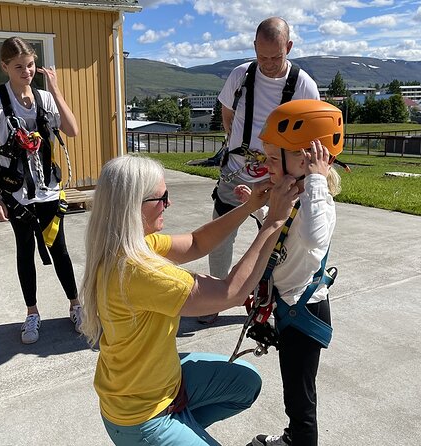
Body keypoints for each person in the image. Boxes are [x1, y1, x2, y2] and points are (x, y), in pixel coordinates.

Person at [79, 154, 300, 445]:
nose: (168, 203)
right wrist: (275, 221)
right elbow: (231, 292)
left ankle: (183, 428)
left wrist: (251, 206)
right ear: (134, 206)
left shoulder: (134, 245)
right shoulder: (139, 272)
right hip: (143, 419)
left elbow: (198, 243)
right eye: (162, 197)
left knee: (246, 383)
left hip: (160, 385)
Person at [200, 16, 320, 324]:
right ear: (254, 47)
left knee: (275, 242)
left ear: (289, 47)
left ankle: (265, 302)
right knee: (221, 235)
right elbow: (228, 114)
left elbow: (313, 135)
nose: (267, 63)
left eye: (275, 57)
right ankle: (214, 299)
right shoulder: (241, 75)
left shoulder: (304, 85)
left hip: (279, 179)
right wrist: (240, 147)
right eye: (261, 56)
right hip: (237, 172)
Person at [238, 99, 344, 446]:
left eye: (272, 157)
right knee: (292, 390)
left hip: (305, 311)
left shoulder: (321, 202)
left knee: (301, 398)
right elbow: (284, 232)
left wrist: (316, 179)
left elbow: (312, 235)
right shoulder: (296, 196)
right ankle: (293, 437)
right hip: (288, 307)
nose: (265, 164)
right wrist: (257, 207)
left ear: (303, 159)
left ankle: (300, 439)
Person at [0, 37, 81, 344]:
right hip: (16, 194)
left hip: (48, 190)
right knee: (25, 250)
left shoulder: (43, 98)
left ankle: (76, 306)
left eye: (31, 65)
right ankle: (32, 313)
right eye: (19, 66)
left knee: (59, 249)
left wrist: (55, 89)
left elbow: (73, 130)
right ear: (5, 67)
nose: (26, 72)